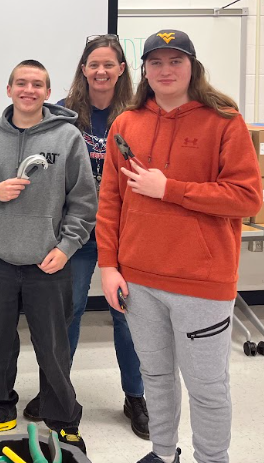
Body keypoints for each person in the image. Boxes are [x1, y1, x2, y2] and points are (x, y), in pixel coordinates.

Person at [97, 30, 263, 463]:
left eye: (176, 61)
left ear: (193, 66)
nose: (165, 70)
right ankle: (163, 453)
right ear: (144, 70)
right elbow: (110, 200)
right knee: (155, 377)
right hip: (138, 281)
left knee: (207, 387)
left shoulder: (224, 120)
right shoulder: (126, 124)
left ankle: (212, 458)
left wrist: (169, 189)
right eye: (156, 62)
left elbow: (247, 198)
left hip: (201, 283)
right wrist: (109, 266)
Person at [0, 60, 96, 454]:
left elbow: (83, 202)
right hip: (0, 258)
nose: (28, 90)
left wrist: (65, 248)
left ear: (47, 92)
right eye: (21, 83)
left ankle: (63, 418)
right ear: (9, 90)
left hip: (48, 261)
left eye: (37, 84)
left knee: (53, 346)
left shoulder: (67, 138)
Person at [22, 35, 149, 439]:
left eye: (109, 64)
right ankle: (56, 392)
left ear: (122, 70)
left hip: (125, 232)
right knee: (68, 313)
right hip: (73, 232)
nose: (101, 71)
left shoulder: (138, 114)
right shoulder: (62, 114)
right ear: (83, 69)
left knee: (126, 315)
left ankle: (136, 395)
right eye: (94, 64)